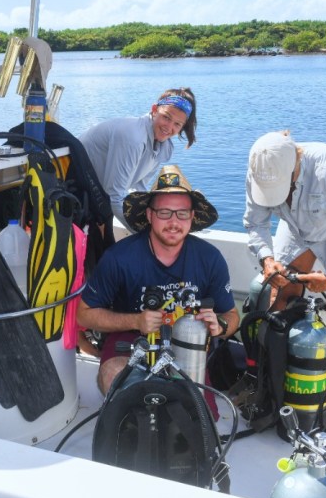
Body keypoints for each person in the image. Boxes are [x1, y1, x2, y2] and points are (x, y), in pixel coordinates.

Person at [77, 164, 239, 395]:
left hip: (188, 346)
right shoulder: (119, 258)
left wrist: (220, 326)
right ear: (150, 214)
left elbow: (232, 316)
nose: (174, 222)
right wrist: (136, 321)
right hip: (132, 340)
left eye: (182, 213)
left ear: (192, 217)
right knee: (114, 375)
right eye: (164, 212)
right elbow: (84, 314)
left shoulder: (210, 258)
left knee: (195, 414)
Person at [243, 130, 326, 356]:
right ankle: (275, 379)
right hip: (295, 228)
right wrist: (267, 259)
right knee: (279, 300)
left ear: (297, 161)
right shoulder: (259, 169)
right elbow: (255, 223)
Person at [79, 88, 197, 233]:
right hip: (76, 190)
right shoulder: (133, 138)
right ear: (154, 110)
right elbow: (114, 196)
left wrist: (155, 219)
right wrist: (148, 234)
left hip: (97, 197)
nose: (169, 127)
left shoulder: (164, 147)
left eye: (177, 124)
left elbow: (138, 187)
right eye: (166, 117)